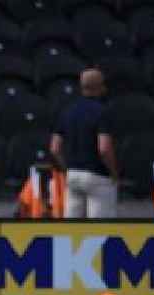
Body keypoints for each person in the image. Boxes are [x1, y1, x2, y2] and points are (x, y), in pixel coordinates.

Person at [50, 68, 119, 219]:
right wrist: (114, 172)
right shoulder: (103, 112)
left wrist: (67, 169)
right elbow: (104, 148)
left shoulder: (67, 111)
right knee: (100, 231)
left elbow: (55, 148)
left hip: (73, 175)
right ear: (101, 87)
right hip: (98, 176)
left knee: (73, 230)